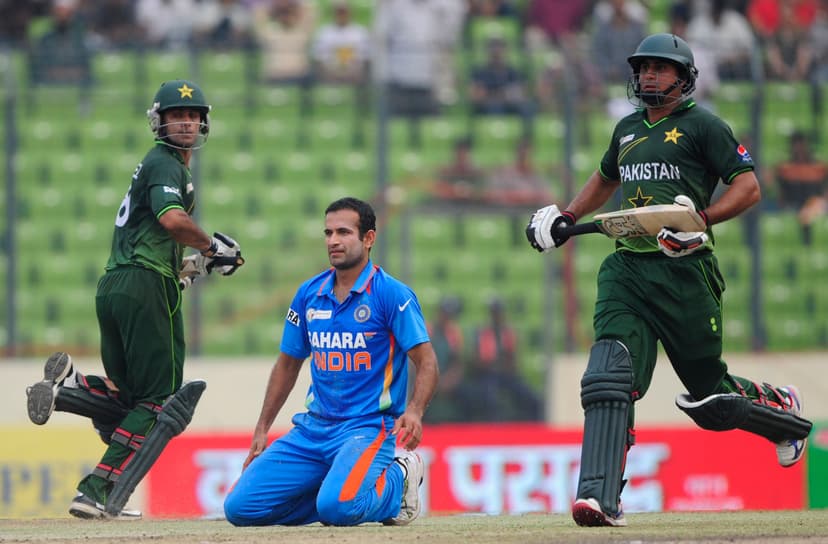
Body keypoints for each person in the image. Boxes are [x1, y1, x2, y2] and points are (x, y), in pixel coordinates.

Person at [525, 33, 813, 527]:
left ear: (685, 77)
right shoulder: (627, 128)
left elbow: (748, 187)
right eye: (643, 68)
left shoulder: (704, 126)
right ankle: (599, 497)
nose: (649, 76)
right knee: (607, 376)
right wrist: (567, 216)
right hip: (628, 267)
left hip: (686, 269)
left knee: (711, 401)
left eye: (661, 68)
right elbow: (606, 178)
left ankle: (784, 416)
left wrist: (699, 221)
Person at [24, 79, 245, 520]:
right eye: (176, 115)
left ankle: (69, 389)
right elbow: (172, 220)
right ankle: (97, 489)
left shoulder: (154, 167)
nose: (185, 121)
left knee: (132, 397)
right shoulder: (166, 165)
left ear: (203, 121)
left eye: (192, 114)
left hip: (116, 285)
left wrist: (191, 268)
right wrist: (210, 249)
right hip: (144, 287)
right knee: (161, 402)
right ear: (158, 121)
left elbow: (152, 240)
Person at [223, 197, 439, 527]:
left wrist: (415, 410)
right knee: (239, 509)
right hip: (313, 429)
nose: (333, 241)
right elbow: (287, 364)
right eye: (327, 233)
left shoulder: (392, 294)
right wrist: (262, 428)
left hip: (367, 428)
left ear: (369, 238)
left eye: (343, 232)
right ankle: (336, 492)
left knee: (337, 509)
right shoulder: (308, 294)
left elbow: (426, 361)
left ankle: (399, 479)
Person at [466, 297, 543, 421]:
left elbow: (514, 361)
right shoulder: (482, 333)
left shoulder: (509, 333)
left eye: (498, 312)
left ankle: (529, 425)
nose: (496, 315)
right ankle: (494, 428)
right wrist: (493, 364)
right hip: (487, 375)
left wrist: (502, 364)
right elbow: (477, 362)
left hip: (507, 374)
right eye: (494, 312)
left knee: (529, 396)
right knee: (489, 396)